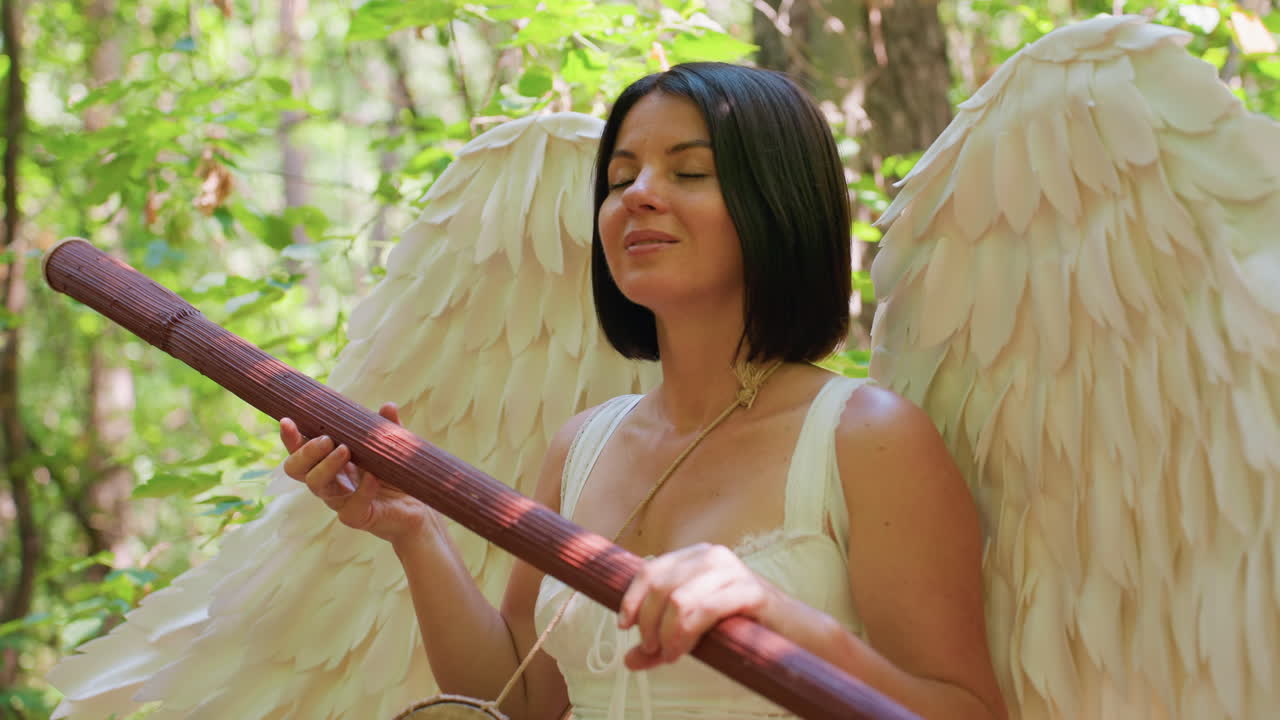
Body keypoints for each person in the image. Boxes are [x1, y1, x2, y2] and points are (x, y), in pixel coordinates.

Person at [280, 63, 1007, 720]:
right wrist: (412, 527)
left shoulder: (865, 436)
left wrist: (779, 619)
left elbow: (966, 712)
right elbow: (526, 696)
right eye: (621, 179)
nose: (640, 198)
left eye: (689, 173)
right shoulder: (583, 445)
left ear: (780, 204)